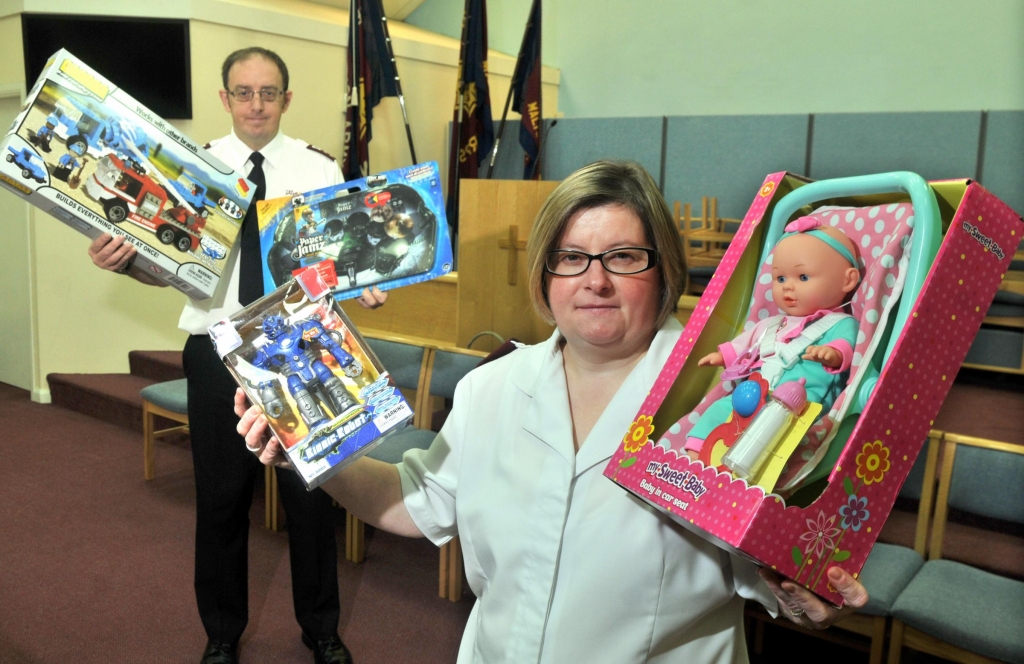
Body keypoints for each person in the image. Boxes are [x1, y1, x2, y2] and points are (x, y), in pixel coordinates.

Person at [237, 160, 869, 663]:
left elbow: (774, 565)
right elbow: (418, 503)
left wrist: (804, 589)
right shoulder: (492, 388)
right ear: (545, 275)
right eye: (571, 258)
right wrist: (313, 451)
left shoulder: (724, 398)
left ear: (664, 268)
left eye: (623, 257)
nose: (594, 280)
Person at [88, 47, 386, 664]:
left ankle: (322, 629)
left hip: (303, 349)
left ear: (287, 98)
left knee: (313, 499)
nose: (256, 104)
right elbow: (169, 271)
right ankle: (221, 636)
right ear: (224, 99)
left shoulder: (319, 170)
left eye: (268, 92)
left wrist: (369, 283)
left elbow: (346, 262)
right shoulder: (190, 172)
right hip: (215, 351)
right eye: (244, 92)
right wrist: (128, 262)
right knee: (221, 500)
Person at [684, 217, 861, 459]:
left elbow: (848, 344)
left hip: (794, 406)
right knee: (719, 409)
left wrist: (833, 353)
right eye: (780, 279)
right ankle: (695, 454)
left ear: (847, 280)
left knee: (767, 437)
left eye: (803, 277)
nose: (787, 287)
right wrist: (723, 355)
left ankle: (739, 469)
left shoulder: (840, 323)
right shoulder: (773, 323)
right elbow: (746, 345)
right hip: (751, 393)